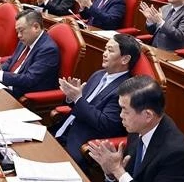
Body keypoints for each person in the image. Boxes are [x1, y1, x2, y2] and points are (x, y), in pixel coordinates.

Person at [86, 75, 184, 182]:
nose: (121, 116)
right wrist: (111, 173)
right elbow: (131, 180)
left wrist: (117, 170)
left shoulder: (175, 154)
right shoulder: (138, 129)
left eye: (125, 110)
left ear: (148, 115)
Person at [53, 34, 140, 169]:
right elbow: (79, 107)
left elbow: (106, 124)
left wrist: (78, 98)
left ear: (125, 59)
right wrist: (71, 98)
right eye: (105, 49)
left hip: (79, 144)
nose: (104, 54)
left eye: (110, 51)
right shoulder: (98, 75)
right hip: (60, 131)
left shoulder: (125, 90)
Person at [0, 9, 59, 98]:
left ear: (36, 27)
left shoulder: (48, 50)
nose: (19, 35)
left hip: (20, 95)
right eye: (17, 31)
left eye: (21, 30)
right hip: (6, 86)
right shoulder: (25, 41)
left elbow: (29, 79)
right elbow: (12, 61)